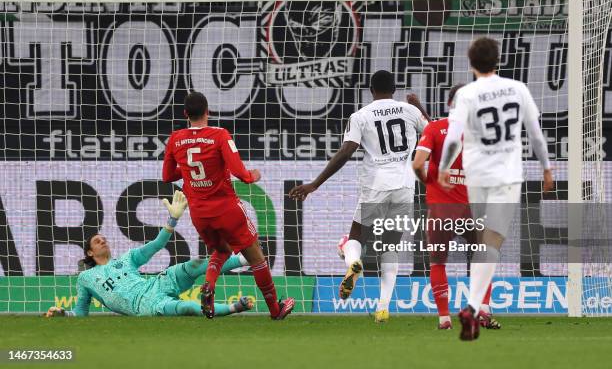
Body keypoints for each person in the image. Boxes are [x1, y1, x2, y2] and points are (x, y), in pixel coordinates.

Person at [290, 70, 428, 323]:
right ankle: (383, 308)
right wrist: (418, 106)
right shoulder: (409, 111)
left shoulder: (361, 116)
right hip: (405, 186)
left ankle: (354, 263)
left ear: (371, 89)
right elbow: (433, 134)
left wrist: (315, 184)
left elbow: (346, 152)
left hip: (376, 185)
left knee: (355, 238)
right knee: (390, 247)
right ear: (394, 88)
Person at [438, 37, 553, 341]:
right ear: (497, 60)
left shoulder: (466, 93)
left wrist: (444, 168)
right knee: (491, 244)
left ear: (471, 62)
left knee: (483, 244)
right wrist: (547, 168)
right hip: (506, 177)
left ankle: (474, 309)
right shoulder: (518, 89)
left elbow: (452, 139)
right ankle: (475, 308)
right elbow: (537, 137)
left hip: (476, 178)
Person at [162, 92, 294, 320]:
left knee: (221, 250)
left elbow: (166, 176)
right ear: (208, 111)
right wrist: (252, 176)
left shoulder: (175, 138)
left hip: (199, 214)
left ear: (185, 114)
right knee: (257, 258)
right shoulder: (219, 135)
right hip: (226, 209)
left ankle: (209, 286)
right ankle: (276, 309)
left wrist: (185, 170)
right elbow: (239, 172)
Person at [46, 191, 252, 318]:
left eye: (104, 238)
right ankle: (234, 307)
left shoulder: (127, 259)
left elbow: (157, 244)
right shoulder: (85, 278)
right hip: (144, 305)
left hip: (156, 284)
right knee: (187, 308)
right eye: (97, 241)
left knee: (195, 264)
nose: (103, 241)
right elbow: (81, 312)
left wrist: (173, 219)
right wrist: (63, 313)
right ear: (90, 252)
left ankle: (245, 257)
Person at [412, 84, 500, 330]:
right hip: (470, 209)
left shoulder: (434, 128)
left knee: (438, 262)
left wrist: (430, 179)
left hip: (440, 209)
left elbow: (417, 163)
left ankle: (444, 319)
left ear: (450, 103)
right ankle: (482, 308)